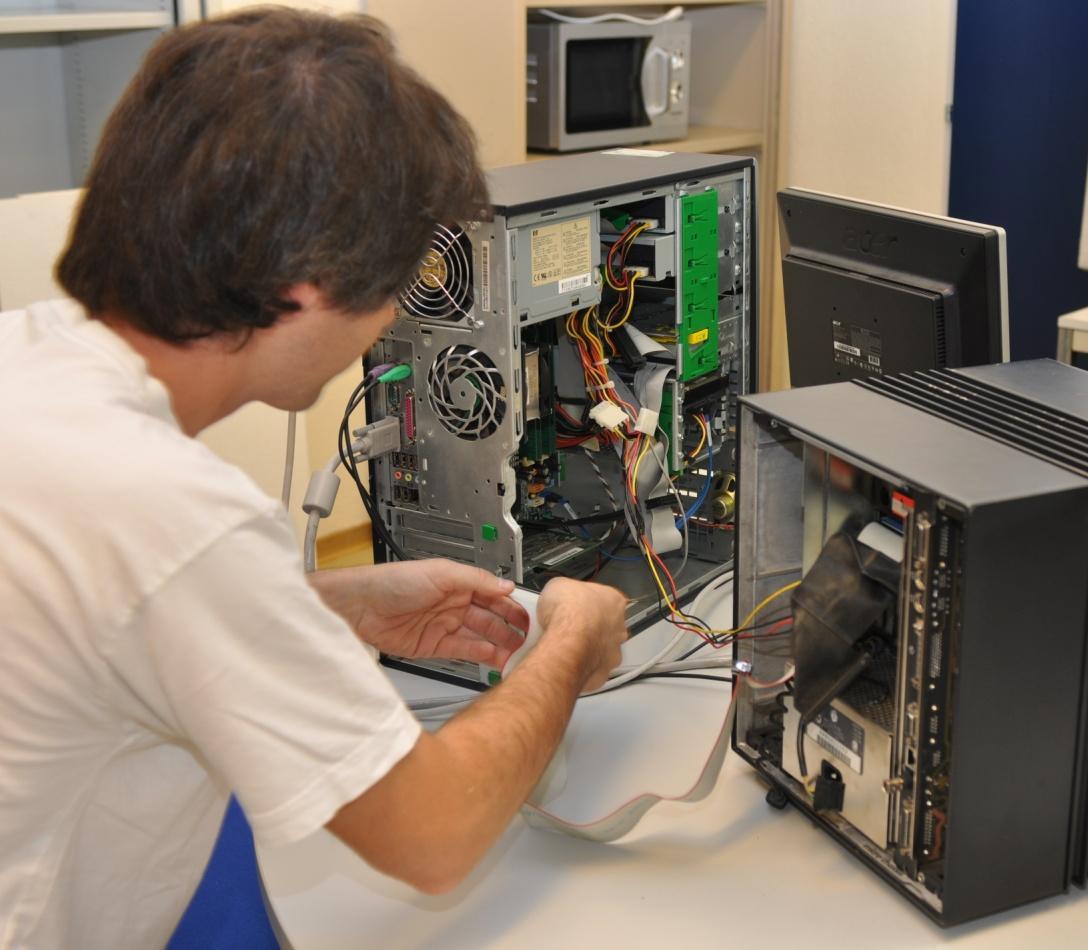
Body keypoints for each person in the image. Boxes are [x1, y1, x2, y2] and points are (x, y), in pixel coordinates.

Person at [0, 9, 630, 947]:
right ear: (304, 291)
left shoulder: (26, 360)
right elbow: (436, 835)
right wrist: (568, 647)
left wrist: (323, 605)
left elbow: (100, 623)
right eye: (389, 292)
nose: (387, 326)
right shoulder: (170, 514)